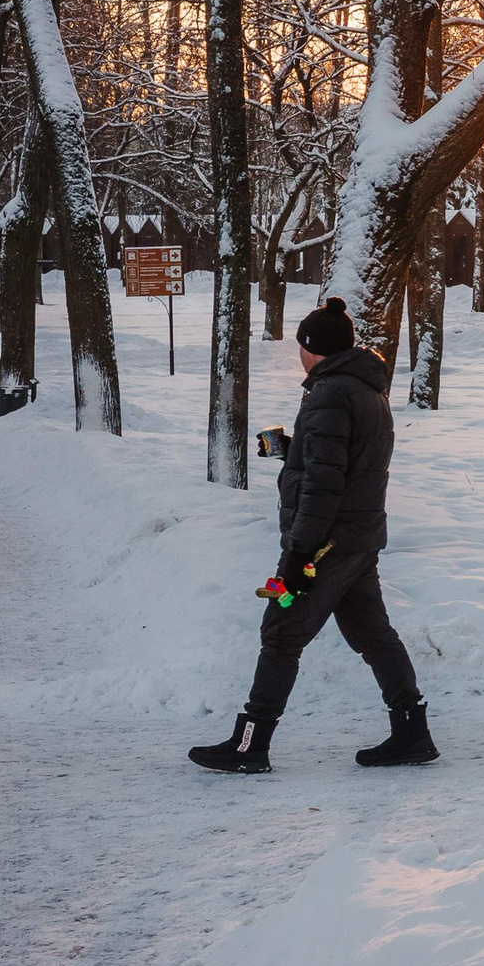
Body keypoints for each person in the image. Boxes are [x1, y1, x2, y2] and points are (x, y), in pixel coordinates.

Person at [190, 297, 437, 773]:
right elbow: (339, 461)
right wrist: (292, 449)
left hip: (322, 545)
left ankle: (250, 745)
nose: (298, 355)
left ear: (312, 348)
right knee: (373, 634)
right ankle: (412, 733)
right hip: (357, 538)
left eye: (301, 346)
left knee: (281, 632)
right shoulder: (365, 388)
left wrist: (298, 553)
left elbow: (326, 482)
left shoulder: (329, 393)